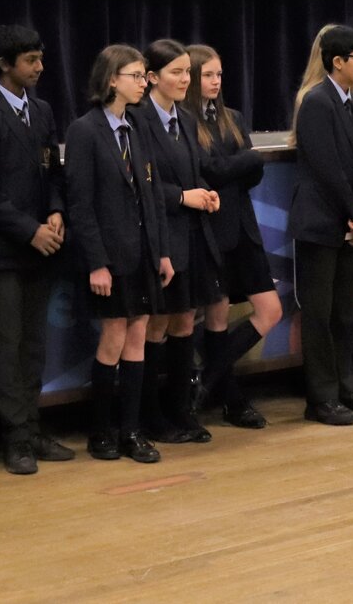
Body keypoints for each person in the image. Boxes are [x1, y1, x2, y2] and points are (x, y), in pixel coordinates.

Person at [0, 24, 73, 475]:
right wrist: (29, 230)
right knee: (6, 346)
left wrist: (57, 211)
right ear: (5, 65)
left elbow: (53, 170)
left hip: (41, 247)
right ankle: (13, 437)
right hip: (4, 252)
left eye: (41, 58)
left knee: (34, 345)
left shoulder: (43, 111)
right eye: (30, 60)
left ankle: (31, 425)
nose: (39, 67)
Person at [63, 45, 174, 463]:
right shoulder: (85, 130)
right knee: (113, 334)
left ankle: (132, 430)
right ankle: (102, 430)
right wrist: (97, 262)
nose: (143, 82)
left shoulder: (138, 127)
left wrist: (161, 252)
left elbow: (152, 195)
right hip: (110, 255)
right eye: (135, 75)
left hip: (143, 252)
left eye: (145, 75)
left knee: (139, 332)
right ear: (112, 79)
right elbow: (81, 204)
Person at [182, 44, 285, 427]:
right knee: (217, 316)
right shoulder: (184, 121)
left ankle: (204, 380)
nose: (215, 81)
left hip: (243, 228)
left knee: (270, 310)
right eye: (207, 74)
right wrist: (244, 161)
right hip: (210, 230)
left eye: (219, 74)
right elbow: (210, 171)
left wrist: (239, 165)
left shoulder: (233, 117)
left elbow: (250, 174)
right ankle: (231, 398)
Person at [290, 24, 353, 425]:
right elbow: (326, 167)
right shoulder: (317, 102)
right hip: (322, 223)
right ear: (337, 61)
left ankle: (347, 384)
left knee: (347, 312)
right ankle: (321, 396)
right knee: (320, 313)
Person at [132, 38, 220, 445]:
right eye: (177, 72)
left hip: (192, 234)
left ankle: (180, 410)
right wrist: (182, 197)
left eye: (188, 71)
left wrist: (204, 191)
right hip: (159, 235)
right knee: (158, 323)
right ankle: (150, 415)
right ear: (152, 77)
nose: (186, 79)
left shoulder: (185, 118)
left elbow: (194, 170)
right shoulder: (137, 120)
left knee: (187, 318)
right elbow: (139, 182)